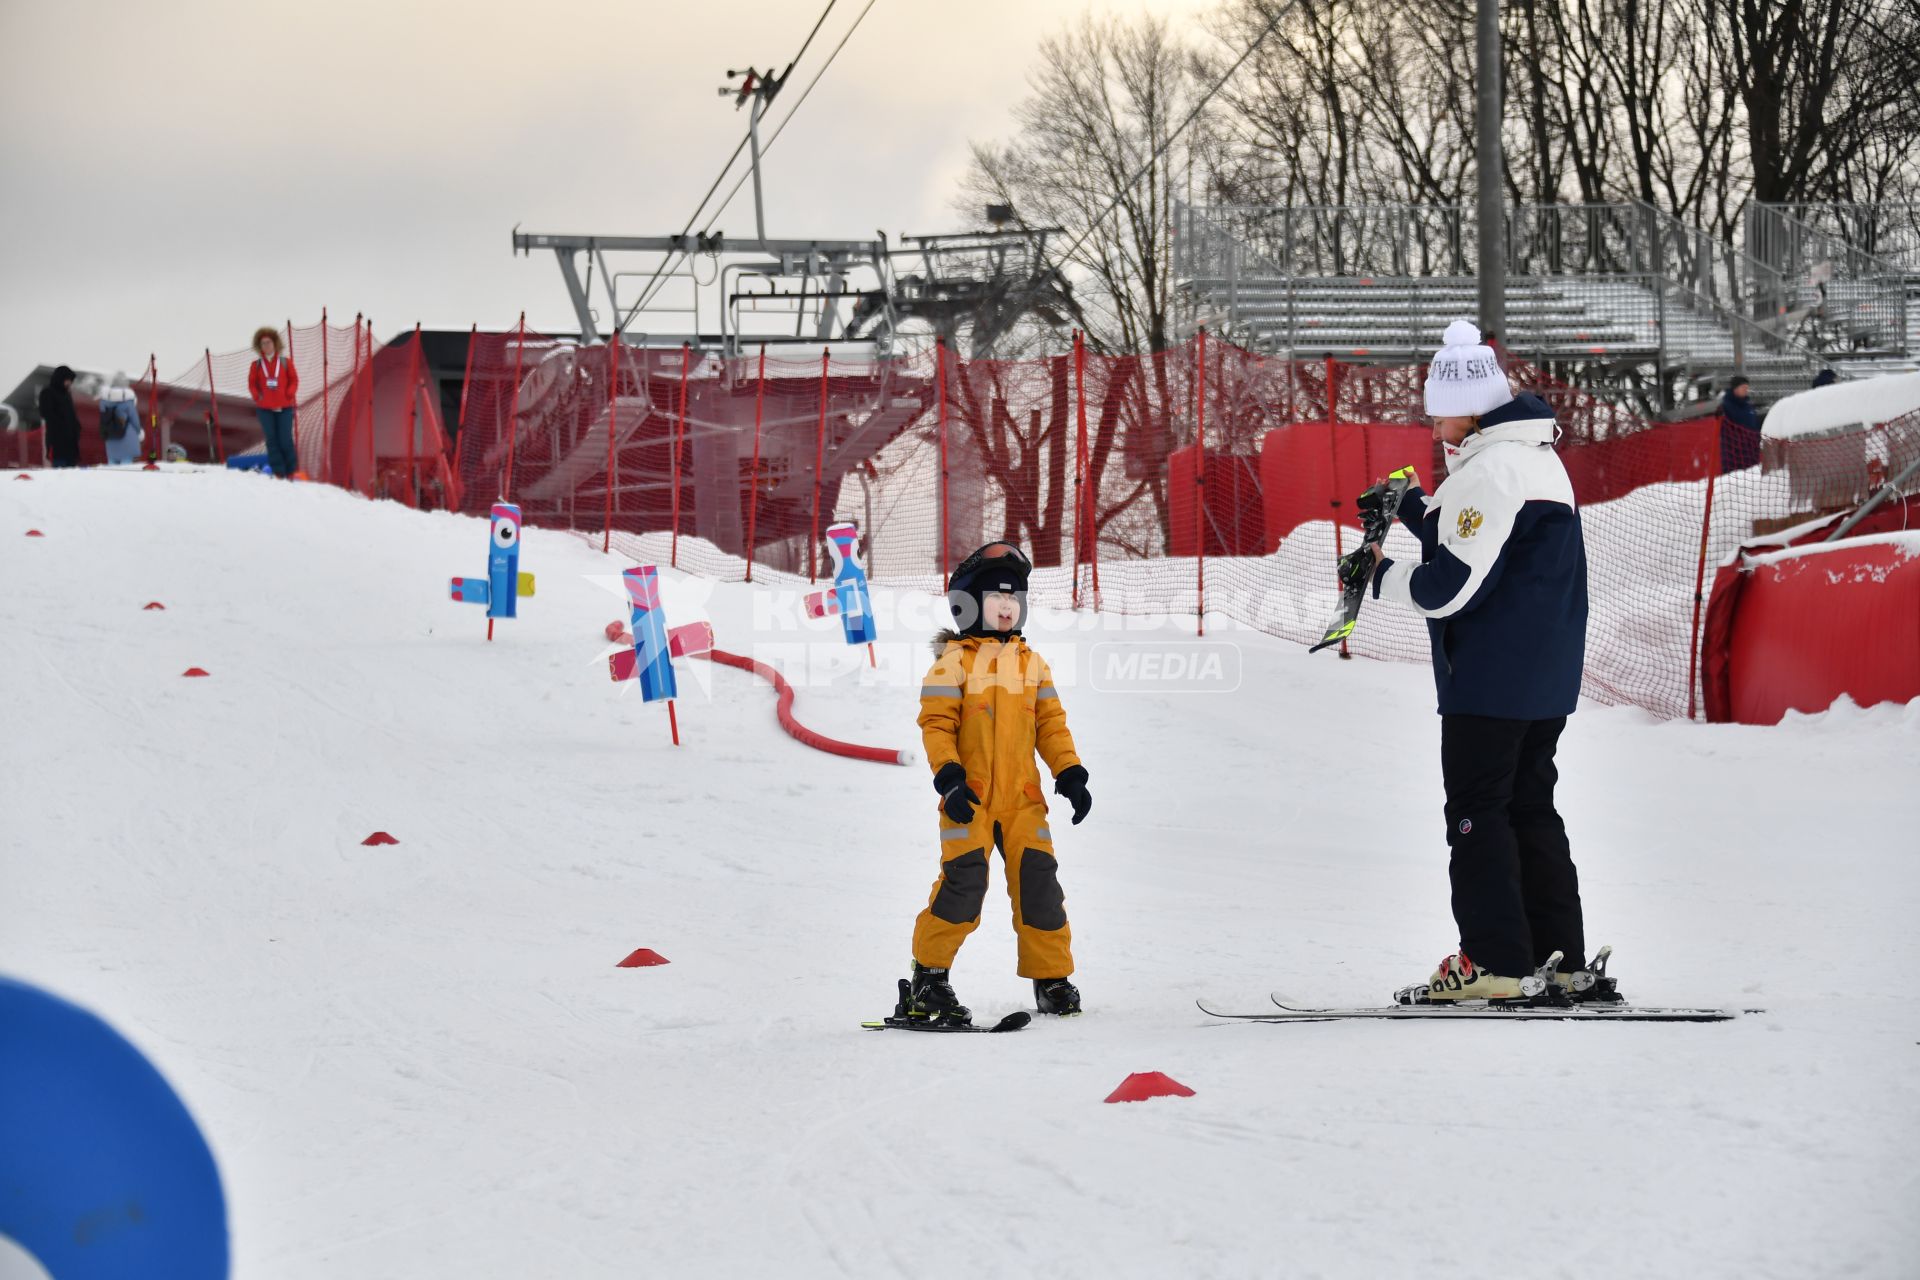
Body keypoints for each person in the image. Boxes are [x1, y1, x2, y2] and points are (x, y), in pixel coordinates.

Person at [1367, 320, 1593, 1003]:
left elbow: (1451, 587)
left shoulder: (1489, 468)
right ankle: (1559, 960)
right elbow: (1491, 542)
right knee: (1531, 808)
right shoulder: (1534, 458)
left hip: (1489, 681)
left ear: (1470, 406)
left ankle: (1494, 961)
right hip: (1545, 677)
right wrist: (1413, 509)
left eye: (1440, 412)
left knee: (1477, 813)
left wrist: (1379, 575)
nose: (1435, 426)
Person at [904, 542, 1094, 1023]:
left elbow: (1051, 725)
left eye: (1015, 597)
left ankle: (1051, 979)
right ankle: (928, 979)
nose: (1008, 606)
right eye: (996, 597)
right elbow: (937, 726)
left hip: (1024, 801)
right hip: (968, 799)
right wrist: (949, 779)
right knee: (963, 885)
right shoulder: (953, 664)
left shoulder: (1033, 665)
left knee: (1040, 889)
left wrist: (1069, 772)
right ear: (968, 605)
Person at [246, 326, 300, 477]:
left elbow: (294, 380)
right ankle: (279, 472)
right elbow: (252, 384)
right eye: (263, 343)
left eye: (269, 342)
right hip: (265, 409)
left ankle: (291, 472)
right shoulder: (256, 365)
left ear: (275, 343)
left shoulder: (285, 362)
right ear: (259, 346)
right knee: (272, 441)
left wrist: (289, 394)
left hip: (285, 407)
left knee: (285, 439)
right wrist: (258, 397)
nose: (266, 346)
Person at [37, 366, 82, 468]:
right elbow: (45, 413)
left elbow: (71, 414)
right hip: (57, 441)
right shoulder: (47, 393)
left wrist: (76, 427)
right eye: (67, 380)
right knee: (60, 471)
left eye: (70, 381)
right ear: (60, 378)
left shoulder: (67, 394)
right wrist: (61, 425)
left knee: (71, 472)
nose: (69, 383)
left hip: (71, 442)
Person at [1718, 376, 1762, 472]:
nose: (1746, 390)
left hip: (1751, 454)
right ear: (1735, 388)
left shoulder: (1749, 407)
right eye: (1743, 387)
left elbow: (1754, 426)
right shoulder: (1726, 406)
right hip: (1734, 456)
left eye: (1747, 388)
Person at [98, 372, 142, 465]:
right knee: (126, 464)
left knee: (112, 462)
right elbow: (135, 421)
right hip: (127, 436)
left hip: (110, 436)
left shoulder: (103, 402)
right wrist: (139, 432)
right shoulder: (128, 402)